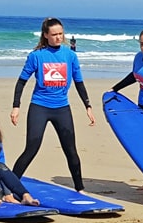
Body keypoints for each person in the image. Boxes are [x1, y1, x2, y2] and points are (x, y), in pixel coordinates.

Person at [11, 18, 95, 191]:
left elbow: (79, 83)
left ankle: (80, 188)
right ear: (46, 35)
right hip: (39, 106)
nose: (58, 37)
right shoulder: (36, 56)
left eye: (60, 34)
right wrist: (16, 106)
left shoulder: (70, 56)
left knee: (70, 150)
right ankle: (9, 185)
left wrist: (88, 106)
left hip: (62, 108)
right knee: (32, 148)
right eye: (54, 34)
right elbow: (21, 82)